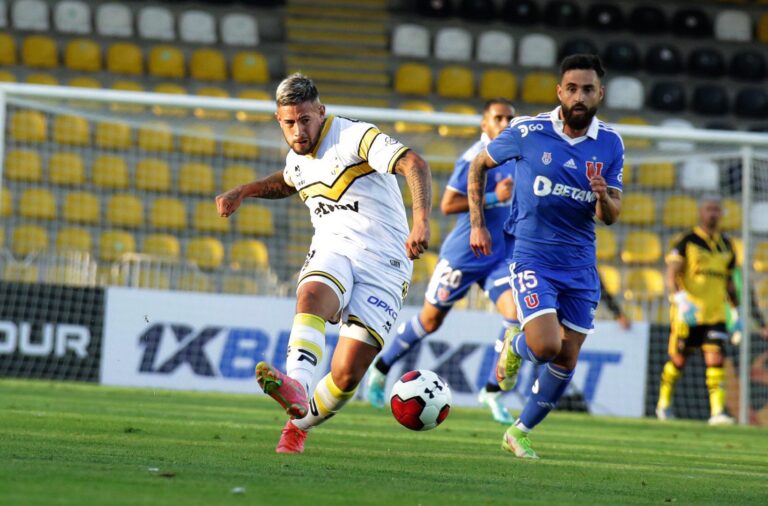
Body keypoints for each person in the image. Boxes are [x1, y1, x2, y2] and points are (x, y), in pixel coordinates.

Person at [215, 73, 432, 453]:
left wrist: (421, 221)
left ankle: (298, 426)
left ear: (321, 112)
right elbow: (288, 180)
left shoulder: (354, 136)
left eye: (305, 120)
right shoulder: (297, 158)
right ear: (279, 121)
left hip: (386, 261)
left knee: (347, 374)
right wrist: (244, 191)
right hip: (334, 247)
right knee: (312, 293)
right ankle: (296, 383)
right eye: (289, 122)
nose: (298, 130)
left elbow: (414, 163)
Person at [468, 54, 624, 459]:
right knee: (547, 345)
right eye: (571, 88)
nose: (579, 96)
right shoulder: (527, 131)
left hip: (581, 262)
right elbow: (479, 166)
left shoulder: (610, 143)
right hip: (533, 256)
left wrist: (603, 196)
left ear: (599, 94)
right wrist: (478, 223)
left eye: (587, 89)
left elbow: (612, 216)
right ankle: (516, 347)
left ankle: (519, 431)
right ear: (559, 91)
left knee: (568, 356)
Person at [365, 99, 519, 424]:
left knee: (514, 316)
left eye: (509, 118)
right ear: (484, 123)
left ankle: (492, 391)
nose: (505, 123)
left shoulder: (517, 156)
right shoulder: (474, 158)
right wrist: (495, 197)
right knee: (430, 322)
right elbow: (448, 204)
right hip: (464, 253)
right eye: (498, 118)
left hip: (500, 255)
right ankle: (380, 369)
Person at [655, 195, 742, 425]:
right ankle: (663, 403)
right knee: (679, 360)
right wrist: (680, 299)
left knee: (715, 358)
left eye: (716, 209)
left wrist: (736, 311)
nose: (713, 213)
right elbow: (671, 273)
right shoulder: (686, 240)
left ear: (721, 214)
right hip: (689, 313)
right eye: (709, 209)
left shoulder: (727, 244)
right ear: (700, 212)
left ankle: (717, 412)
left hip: (715, 314)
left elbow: (730, 282)